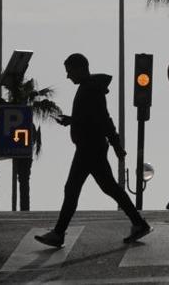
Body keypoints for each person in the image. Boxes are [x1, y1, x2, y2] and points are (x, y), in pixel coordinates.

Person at [35, 53, 151, 247]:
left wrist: (117, 145)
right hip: (91, 147)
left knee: (73, 189)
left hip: (90, 148)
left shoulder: (90, 90)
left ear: (81, 68)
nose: (68, 76)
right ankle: (139, 223)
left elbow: (104, 119)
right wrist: (72, 121)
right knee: (109, 187)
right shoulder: (88, 89)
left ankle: (59, 233)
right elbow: (93, 119)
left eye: (70, 71)